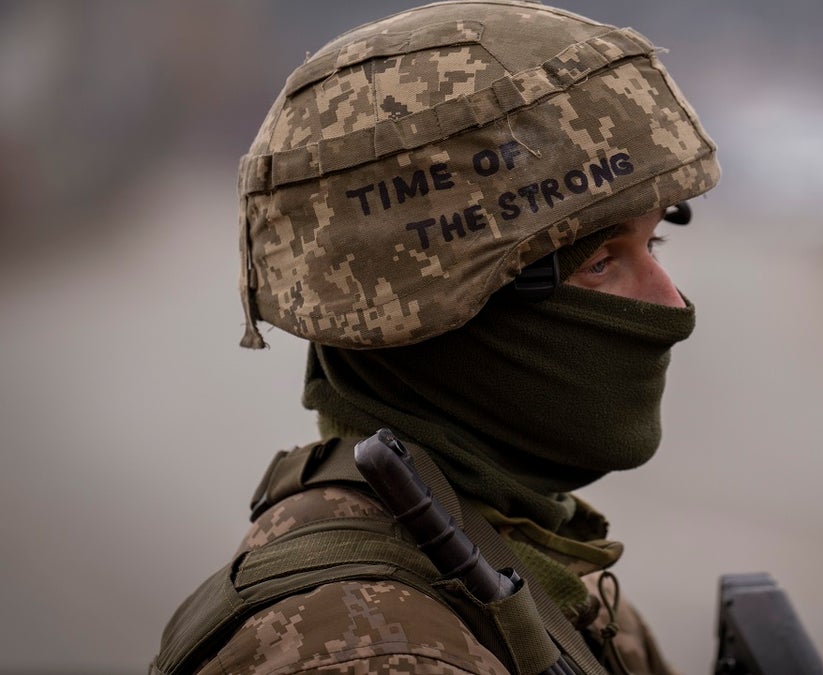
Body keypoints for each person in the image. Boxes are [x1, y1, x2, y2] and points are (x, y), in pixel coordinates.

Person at [152, 1, 719, 673]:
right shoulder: (375, 647)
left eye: (653, 241)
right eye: (601, 262)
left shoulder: (521, 566)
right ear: (441, 314)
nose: (670, 302)